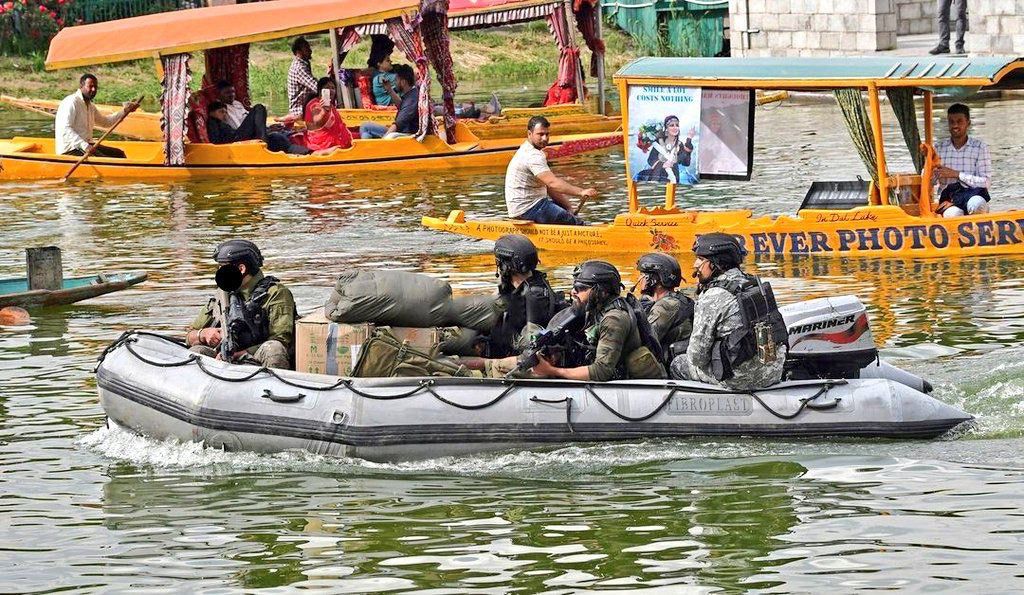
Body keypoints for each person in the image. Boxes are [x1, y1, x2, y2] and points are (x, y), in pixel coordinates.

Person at [669, 233, 788, 390]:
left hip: (740, 379)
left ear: (715, 263)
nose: (695, 264)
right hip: (772, 372)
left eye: (700, 259)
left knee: (678, 363)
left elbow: (697, 357)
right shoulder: (753, 284)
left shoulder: (712, 296)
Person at [530, 260, 665, 382]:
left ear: (601, 291)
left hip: (623, 384)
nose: (573, 292)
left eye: (581, 288)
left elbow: (601, 371)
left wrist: (552, 371)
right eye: (574, 287)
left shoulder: (615, 319)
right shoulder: (593, 309)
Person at [185, 240, 297, 370]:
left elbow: (281, 340)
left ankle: (275, 389)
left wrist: (240, 354)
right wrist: (203, 334)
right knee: (196, 351)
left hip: (257, 357)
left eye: (222, 267)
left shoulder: (276, 293)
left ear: (241, 269)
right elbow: (189, 336)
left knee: (273, 349)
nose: (219, 271)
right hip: (224, 356)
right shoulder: (222, 295)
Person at [504, 116, 597, 226]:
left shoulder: (530, 150)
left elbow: (549, 187)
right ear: (529, 134)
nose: (544, 138)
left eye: (547, 134)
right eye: (540, 134)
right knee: (578, 225)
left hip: (530, 206)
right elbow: (553, 183)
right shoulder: (532, 155)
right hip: (528, 209)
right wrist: (581, 192)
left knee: (567, 215)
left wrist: (568, 207)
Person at [55, 73, 139, 158]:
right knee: (106, 161)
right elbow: (65, 129)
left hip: (86, 145)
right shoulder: (71, 102)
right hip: (71, 149)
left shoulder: (91, 106)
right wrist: (85, 146)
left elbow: (105, 122)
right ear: (81, 86)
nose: (93, 89)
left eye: (95, 87)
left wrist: (124, 111)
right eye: (90, 86)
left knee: (118, 154)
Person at [635, 252, 694, 364]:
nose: (639, 279)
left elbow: (645, 340)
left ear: (652, 279)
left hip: (672, 367)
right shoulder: (668, 300)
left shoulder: (667, 305)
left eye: (642, 275)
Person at [934, 103, 991, 218]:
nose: (955, 125)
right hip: (950, 199)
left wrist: (957, 174)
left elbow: (986, 182)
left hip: (973, 195)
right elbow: (931, 183)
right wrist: (930, 171)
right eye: (951, 122)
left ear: (968, 123)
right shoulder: (938, 148)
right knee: (953, 214)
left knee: (977, 205)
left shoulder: (980, 147)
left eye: (959, 121)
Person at [359, 64, 419, 139]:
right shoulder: (411, 94)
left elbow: (398, 124)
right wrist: (389, 89)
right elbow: (402, 106)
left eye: (396, 80)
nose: (395, 82)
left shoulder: (412, 99)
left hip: (406, 134)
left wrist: (383, 140)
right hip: (401, 131)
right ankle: (369, 148)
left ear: (403, 82)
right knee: (365, 127)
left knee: (373, 131)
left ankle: (369, 149)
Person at [634, 115, 696, 184]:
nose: (675, 128)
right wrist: (663, 164)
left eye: (677, 125)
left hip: (674, 178)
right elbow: (650, 160)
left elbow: (686, 163)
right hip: (658, 176)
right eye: (672, 125)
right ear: (666, 128)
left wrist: (689, 138)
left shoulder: (679, 144)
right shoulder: (659, 143)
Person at [303, 77, 353, 152]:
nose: (330, 91)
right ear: (320, 91)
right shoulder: (314, 104)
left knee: (363, 129)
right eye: (327, 88)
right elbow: (316, 121)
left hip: (338, 140)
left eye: (333, 88)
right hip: (323, 145)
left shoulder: (330, 105)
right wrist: (324, 111)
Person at [287, 37, 318, 118]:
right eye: (306, 48)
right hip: (299, 111)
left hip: (305, 107)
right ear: (298, 52)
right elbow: (316, 87)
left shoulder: (304, 64)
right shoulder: (299, 67)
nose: (310, 51)